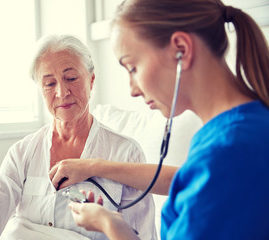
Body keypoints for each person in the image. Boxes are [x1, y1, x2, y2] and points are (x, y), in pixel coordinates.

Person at [50, 0, 269, 239]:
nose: (132, 89)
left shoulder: (227, 153)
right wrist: (95, 169)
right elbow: (185, 177)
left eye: (132, 67)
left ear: (181, 50)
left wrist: (109, 225)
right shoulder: (246, 128)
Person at [0, 34, 173, 240]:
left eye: (71, 78)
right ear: (40, 89)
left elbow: (142, 235)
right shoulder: (23, 152)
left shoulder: (125, 152)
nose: (61, 92)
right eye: (50, 83)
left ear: (91, 80)